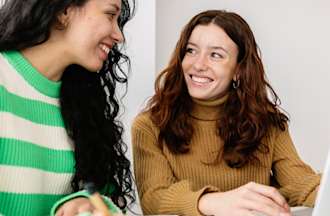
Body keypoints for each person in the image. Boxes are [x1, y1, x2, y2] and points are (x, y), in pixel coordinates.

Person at [132, 10, 320, 216]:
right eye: (191, 50)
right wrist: (215, 202)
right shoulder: (150, 124)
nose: (198, 64)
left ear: (238, 69)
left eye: (215, 55)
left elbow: (300, 183)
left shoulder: (266, 121)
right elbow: (154, 199)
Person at [0, 0, 135, 215]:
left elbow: (107, 199)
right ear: (64, 10)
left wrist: (87, 204)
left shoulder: (84, 105)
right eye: (110, 15)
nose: (119, 35)